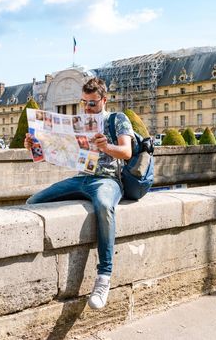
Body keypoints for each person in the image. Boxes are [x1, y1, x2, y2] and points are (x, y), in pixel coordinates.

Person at [24, 77, 134, 310]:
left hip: (107, 180)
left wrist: (106, 147)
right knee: (34, 201)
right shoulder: (80, 121)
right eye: (83, 103)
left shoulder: (118, 119)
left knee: (104, 206)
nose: (87, 108)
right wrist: (36, 146)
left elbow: (126, 151)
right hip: (81, 179)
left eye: (92, 103)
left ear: (104, 100)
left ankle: (104, 276)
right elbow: (60, 154)